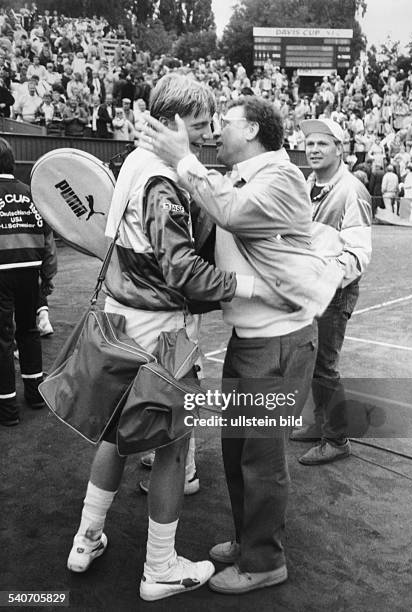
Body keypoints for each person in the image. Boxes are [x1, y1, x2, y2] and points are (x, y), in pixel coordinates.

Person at [139, 96, 343, 595]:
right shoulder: (240, 175)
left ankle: (265, 560)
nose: (215, 132)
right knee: (237, 452)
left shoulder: (282, 177)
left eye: (224, 124)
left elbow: (232, 213)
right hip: (252, 339)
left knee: (262, 459)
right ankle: (249, 538)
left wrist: (182, 160)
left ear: (251, 128)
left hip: (278, 342)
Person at [66, 74, 256, 602]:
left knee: (113, 436)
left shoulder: (133, 161)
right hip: (161, 336)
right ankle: (160, 568)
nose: (206, 132)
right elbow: (182, 271)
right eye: (198, 123)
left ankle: (86, 538)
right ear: (172, 120)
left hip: (119, 320)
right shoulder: (162, 182)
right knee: (172, 450)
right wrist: (244, 285)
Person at [290, 118, 372, 464]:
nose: (314, 150)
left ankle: (336, 439)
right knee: (310, 362)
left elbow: (359, 253)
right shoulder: (306, 185)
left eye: (323, 144)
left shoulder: (352, 190)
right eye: (310, 144)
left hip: (332, 292)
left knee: (324, 366)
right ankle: (320, 424)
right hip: (308, 289)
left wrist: (325, 279)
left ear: (340, 149)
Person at [0, 137, 57, 426]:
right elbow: (49, 243)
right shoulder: (31, 194)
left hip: (1, 273)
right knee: (29, 331)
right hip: (30, 272)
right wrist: (46, 279)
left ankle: (7, 408)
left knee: (2, 339)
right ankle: (35, 395)